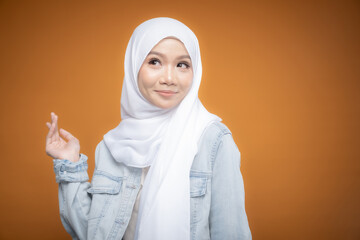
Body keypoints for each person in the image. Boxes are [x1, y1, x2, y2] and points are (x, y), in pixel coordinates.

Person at [45, 17, 251, 240]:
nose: (169, 78)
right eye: (154, 62)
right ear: (134, 65)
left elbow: (232, 233)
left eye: (182, 65)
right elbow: (93, 234)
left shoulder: (214, 142)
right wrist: (70, 165)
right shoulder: (111, 147)